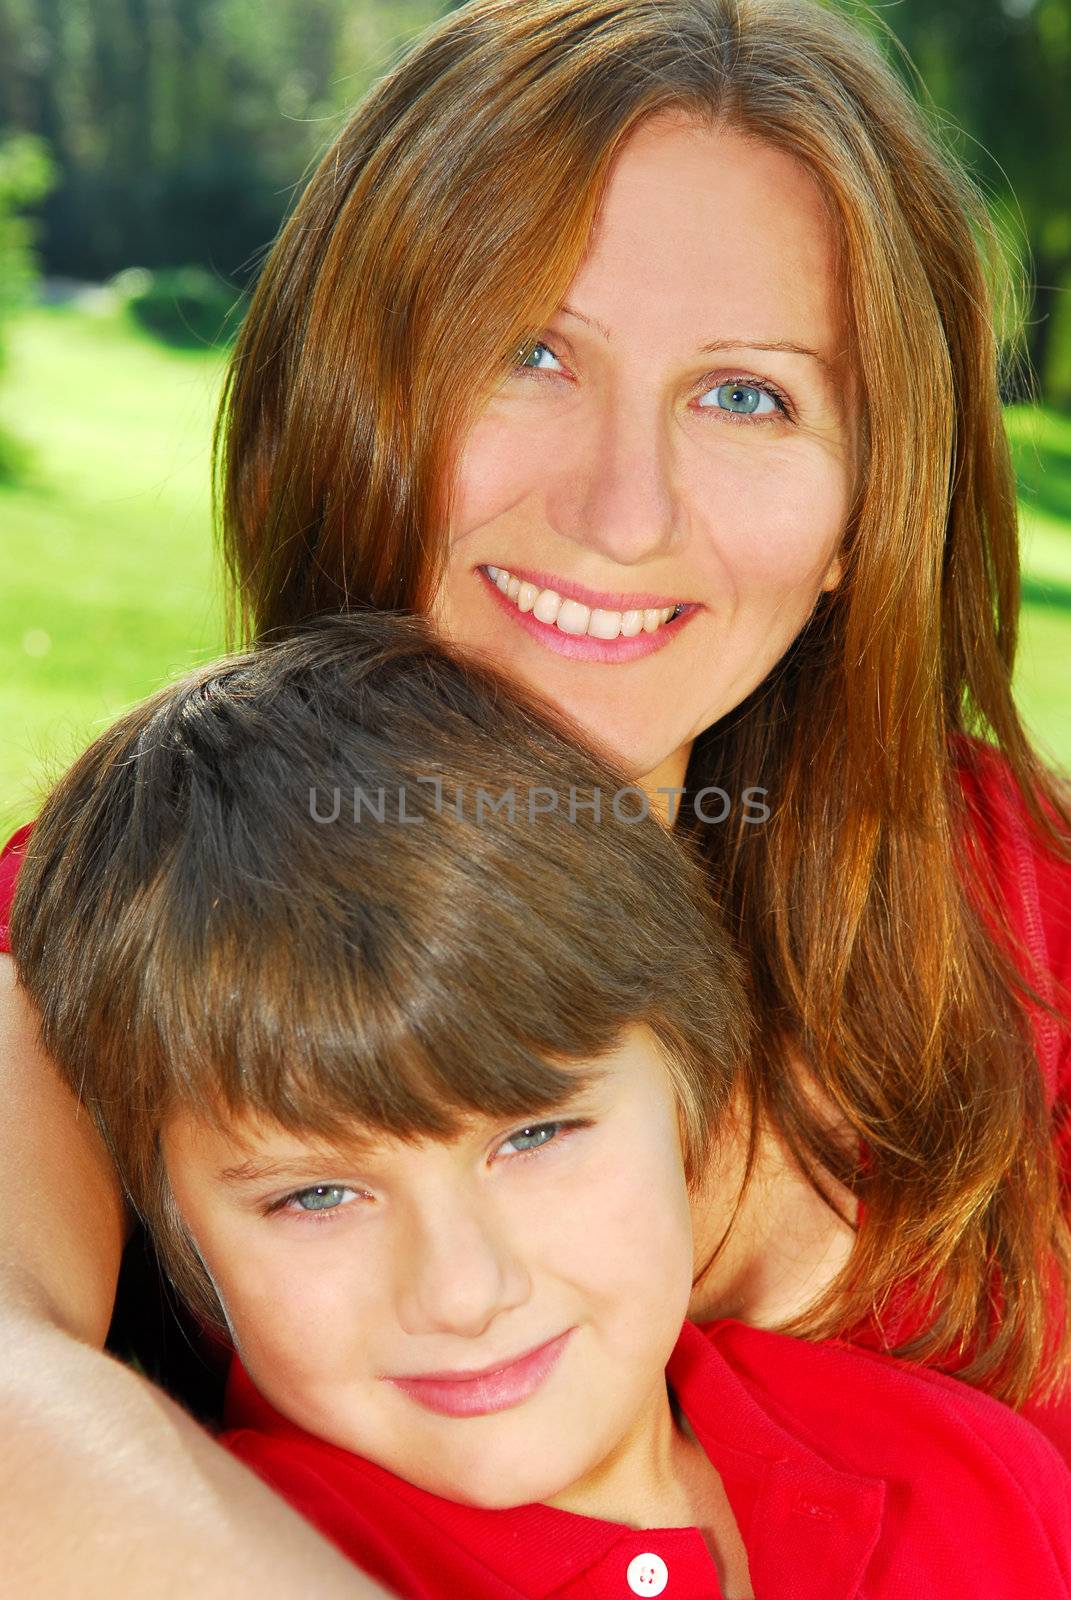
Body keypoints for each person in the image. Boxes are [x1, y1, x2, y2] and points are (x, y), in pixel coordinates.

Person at [2, 0, 1070, 1591]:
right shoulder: (125, 913)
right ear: (342, 394)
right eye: (527, 351)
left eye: (745, 397)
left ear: (864, 509)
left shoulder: (1004, 887)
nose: (618, 511)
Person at [10, 609, 1071, 1600]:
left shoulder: (962, 1473)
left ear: (693, 1096)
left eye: (535, 1133)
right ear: (175, 1224)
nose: (463, 1291)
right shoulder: (189, 1545)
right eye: (318, 1194)